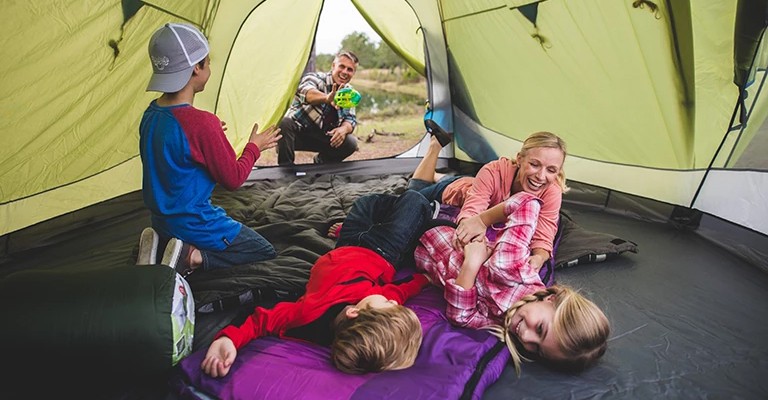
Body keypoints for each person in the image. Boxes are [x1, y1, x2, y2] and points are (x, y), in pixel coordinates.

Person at [201, 190, 434, 377]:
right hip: (378, 251)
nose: (391, 299)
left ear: (353, 312)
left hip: (355, 246)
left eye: (388, 303)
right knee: (393, 201)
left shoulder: (305, 317)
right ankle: (415, 223)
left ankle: (409, 220)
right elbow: (398, 291)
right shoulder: (371, 303)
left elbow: (260, 320)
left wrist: (228, 339)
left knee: (404, 200)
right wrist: (423, 279)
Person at [135, 23, 281, 276]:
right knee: (262, 250)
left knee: (174, 231)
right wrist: (253, 148)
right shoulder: (202, 124)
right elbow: (233, 179)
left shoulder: (151, 114)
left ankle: (160, 248)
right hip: (195, 223)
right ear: (196, 69)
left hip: (160, 221)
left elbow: (176, 153)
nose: (209, 68)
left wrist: (208, 135)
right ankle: (191, 257)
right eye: (208, 63)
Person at [415, 189, 610, 375]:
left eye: (536, 349)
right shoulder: (513, 267)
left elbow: (461, 317)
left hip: (417, 258)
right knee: (413, 198)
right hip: (431, 230)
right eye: (540, 329)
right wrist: (481, 221)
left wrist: (471, 265)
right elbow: (527, 202)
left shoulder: (503, 322)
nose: (526, 338)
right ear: (551, 299)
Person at [409, 123, 568, 272]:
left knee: (460, 182)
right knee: (413, 195)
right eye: (534, 164)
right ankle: (435, 145)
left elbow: (544, 235)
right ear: (520, 159)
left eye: (551, 170)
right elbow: (472, 210)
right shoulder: (494, 170)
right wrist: (468, 231)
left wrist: (539, 257)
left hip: (477, 184)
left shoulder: (552, 191)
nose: (541, 176)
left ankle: (438, 175)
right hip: (453, 190)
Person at [277, 50, 360, 165]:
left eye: (350, 69)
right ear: (333, 66)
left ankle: (322, 163)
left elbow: (350, 119)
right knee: (284, 123)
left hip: (324, 136)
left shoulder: (350, 92)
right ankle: (286, 167)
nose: (345, 72)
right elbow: (307, 92)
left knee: (351, 143)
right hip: (298, 134)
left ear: (353, 73)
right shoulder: (315, 78)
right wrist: (327, 98)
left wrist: (343, 129)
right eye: (342, 66)